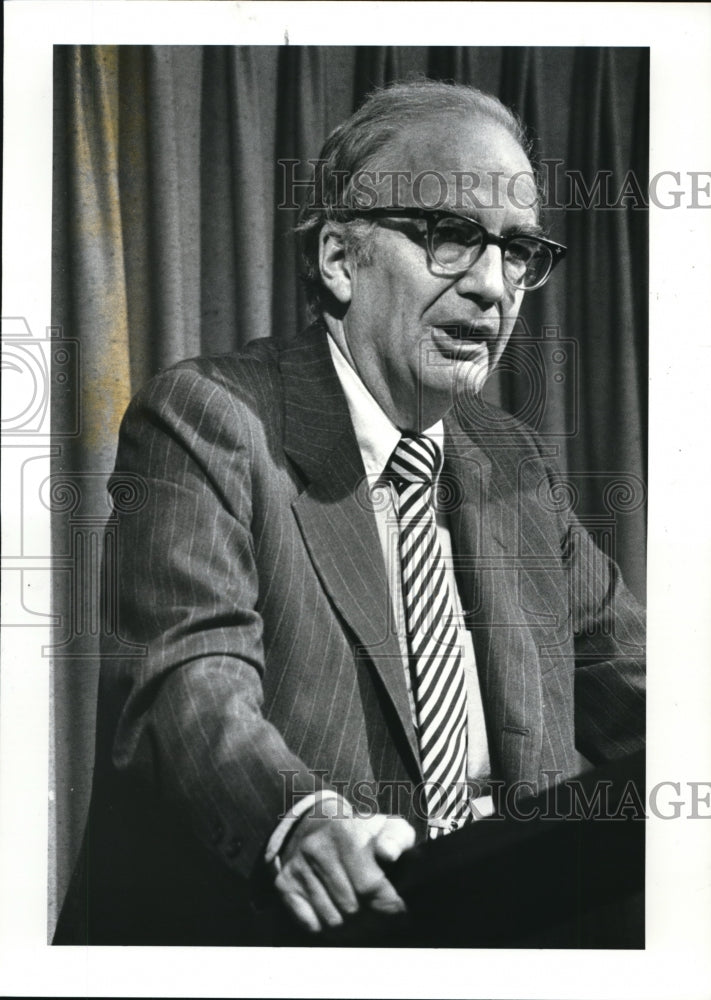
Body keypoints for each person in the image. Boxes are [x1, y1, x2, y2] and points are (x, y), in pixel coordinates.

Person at [55, 80, 645, 946]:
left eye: (517, 252)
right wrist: (294, 822)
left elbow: (644, 694)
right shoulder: (209, 418)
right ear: (338, 258)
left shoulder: (515, 464)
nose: (493, 289)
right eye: (450, 238)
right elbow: (189, 677)